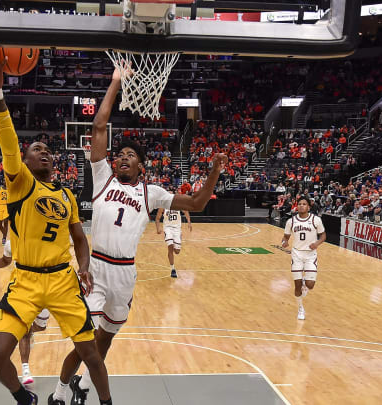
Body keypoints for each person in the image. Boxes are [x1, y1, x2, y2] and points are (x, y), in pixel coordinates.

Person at [67, 66, 227, 405]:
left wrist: (213, 172)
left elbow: (197, 203)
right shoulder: (103, 179)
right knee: (86, 337)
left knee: (106, 339)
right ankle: (66, 391)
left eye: (131, 155)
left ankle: (80, 381)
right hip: (96, 269)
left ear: (141, 166)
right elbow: (98, 126)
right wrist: (114, 82)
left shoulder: (150, 192)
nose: (123, 157)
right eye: (120, 154)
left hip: (125, 273)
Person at [0, 47, 112, 405]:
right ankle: (24, 399)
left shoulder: (68, 196)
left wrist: (84, 267)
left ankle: (106, 403)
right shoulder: (20, 183)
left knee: (91, 355)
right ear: (23, 163)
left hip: (62, 281)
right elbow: (7, 140)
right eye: (35, 149)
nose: (44, 152)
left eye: (46, 149)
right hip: (25, 281)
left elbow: (80, 239)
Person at [0, 239, 51, 386]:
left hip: (46, 288)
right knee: (24, 330)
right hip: (22, 291)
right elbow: (5, 260)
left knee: (41, 326)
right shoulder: (12, 242)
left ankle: (29, 330)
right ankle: (25, 369)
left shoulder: (45, 238)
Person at [281, 196, 326, 320]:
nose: (301, 206)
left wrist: (316, 244)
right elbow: (285, 237)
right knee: (297, 285)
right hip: (297, 254)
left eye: (304, 204)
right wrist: (284, 242)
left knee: (310, 285)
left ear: (308, 207)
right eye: (299, 203)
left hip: (310, 254)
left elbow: (323, 236)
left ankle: (305, 285)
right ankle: (300, 308)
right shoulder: (291, 221)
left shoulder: (315, 220)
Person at [155, 207, 191, 278]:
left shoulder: (177, 204)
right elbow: (157, 218)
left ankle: (177, 241)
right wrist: (158, 228)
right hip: (168, 228)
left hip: (177, 229)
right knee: (170, 246)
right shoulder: (163, 206)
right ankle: (173, 269)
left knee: (177, 251)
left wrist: (189, 222)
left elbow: (186, 211)